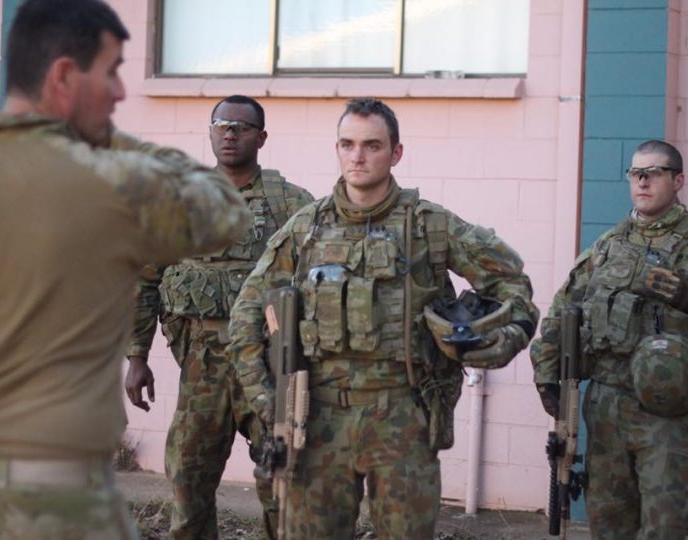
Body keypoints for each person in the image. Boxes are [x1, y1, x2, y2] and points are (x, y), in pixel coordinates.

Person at [0, 0, 252, 538]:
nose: (121, 93)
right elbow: (224, 210)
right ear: (65, 78)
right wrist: (102, 137)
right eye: (112, 72)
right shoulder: (115, 183)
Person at [228, 97, 540, 539]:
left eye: (372, 145)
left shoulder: (428, 226)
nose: (358, 156)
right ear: (336, 149)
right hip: (316, 417)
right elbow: (246, 312)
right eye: (347, 144)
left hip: (402, 416)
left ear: (396, 153)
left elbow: (512, 283)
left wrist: (505, 338)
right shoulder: (306, 229)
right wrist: (266, 399)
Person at [530, 139, 688, 540]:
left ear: (678, 180)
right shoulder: (607, 247)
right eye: (635, 173)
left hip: (665, 413)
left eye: (654, 172)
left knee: (668, 520)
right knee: (608, 521)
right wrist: (546, 374)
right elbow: (562, 311)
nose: (642, 181)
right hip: (606, 404)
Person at [124, 95, 314, 539]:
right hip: (202, 365)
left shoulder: (292, 203)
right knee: (188, 477)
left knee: (280, 477)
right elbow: (145, 280)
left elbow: (315, 286)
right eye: (221, 124)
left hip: (270, 366)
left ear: (261, 137)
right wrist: (137, 355)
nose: (230, 133)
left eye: (242, 126)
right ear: (210, 133)